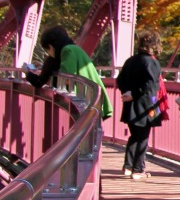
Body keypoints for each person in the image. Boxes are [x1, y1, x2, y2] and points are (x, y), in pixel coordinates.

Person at [24, 24, 114, 121]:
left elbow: (67, 77)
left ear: (50, 46)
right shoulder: (74, 48)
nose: (48, 54)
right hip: (92, 98)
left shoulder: (67, 51)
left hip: (87, 101)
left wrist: (44, 74)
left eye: (47, 50)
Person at [115, 31, 164, 179]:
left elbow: (120, 80)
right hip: (145, 106)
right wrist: (135, 94)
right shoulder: (151, 62)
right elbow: (150, 86)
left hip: (131, 105)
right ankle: (138, 169)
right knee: (143, 137)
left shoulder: (130, 61)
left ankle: (128, 166)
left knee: (134, 136)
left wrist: (128, 93)